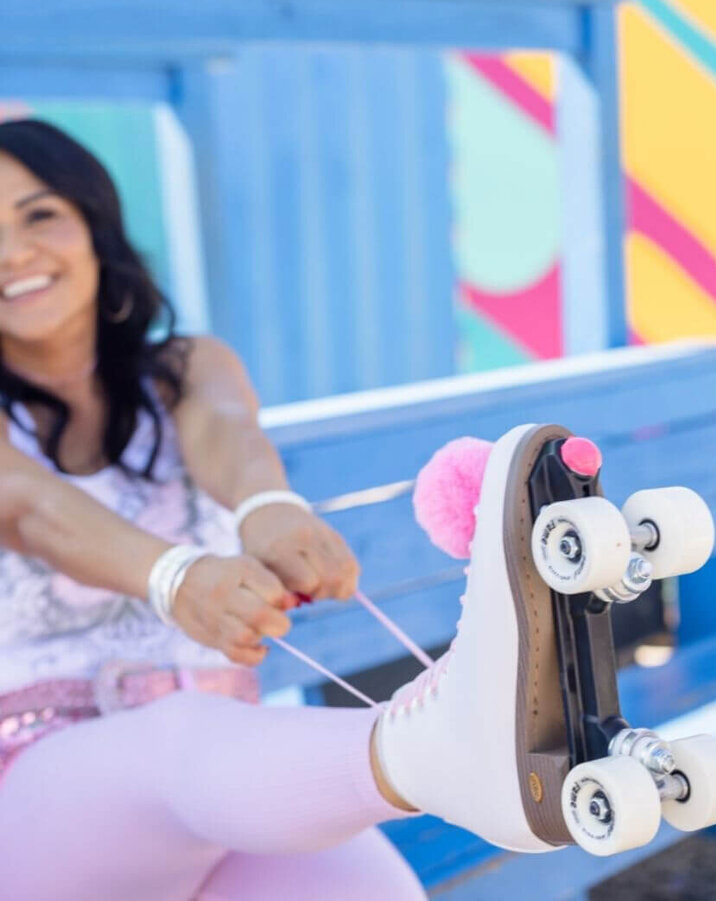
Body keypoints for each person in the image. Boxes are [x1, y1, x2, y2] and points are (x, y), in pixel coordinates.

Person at [0, 119, 554, 901]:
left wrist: (269, 513)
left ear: (94, 224)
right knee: (177, 739)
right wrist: (177, 577)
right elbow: (28, 507)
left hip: (221, 796)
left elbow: (227, 432)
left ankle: (450, 742)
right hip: (35, 799)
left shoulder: (186, 369)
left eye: (39, 214)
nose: (14, 252)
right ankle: (432, 745)